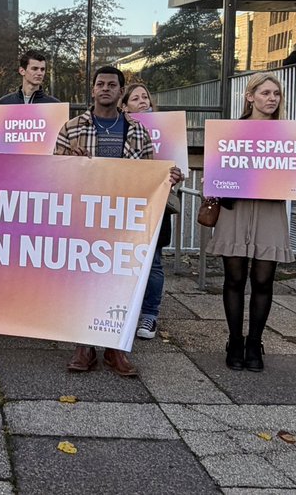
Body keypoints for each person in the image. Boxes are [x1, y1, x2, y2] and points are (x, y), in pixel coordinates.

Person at [54, 66, 183, 377]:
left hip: (125, 218)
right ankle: (84, 346)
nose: (105, 89)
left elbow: (151, 176)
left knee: (121, 282)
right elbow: (54, 171)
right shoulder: (71, 128)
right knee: (84, 279)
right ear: (93, 89)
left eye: (112, 84)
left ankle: (115, 348)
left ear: (121, 92)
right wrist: (71, 163)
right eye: (100, 84)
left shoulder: (138, 131)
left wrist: (170, 178)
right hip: (86, 215)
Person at [204, 72, 294, 373]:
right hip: (236, 209)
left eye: (276, 94)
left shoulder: (289, 133)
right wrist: (211, 178)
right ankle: (234, 340)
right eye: (266, 93)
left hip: (270, 210)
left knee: (264, 279)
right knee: (234, 278)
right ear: (250, 96)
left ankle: (255, 342)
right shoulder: (230, 130)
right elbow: (219, 165)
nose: (272, 98)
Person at [120, 81, 180, 341]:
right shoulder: (118, 131)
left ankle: (149, 314)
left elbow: (178, 168)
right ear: (124, 106)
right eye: (136, 98)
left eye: (146, 97)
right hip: (124, 204)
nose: (143, 101)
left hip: (155, 205)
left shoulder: (168, 131)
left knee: (154, 262)